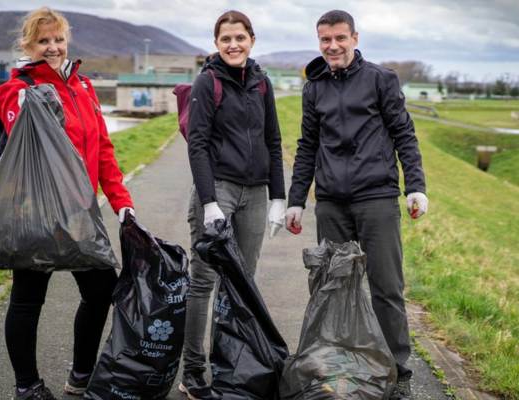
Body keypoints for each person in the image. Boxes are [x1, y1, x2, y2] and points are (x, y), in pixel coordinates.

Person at [285, 10, 428, 400]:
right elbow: (307, 146)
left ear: (354, 38)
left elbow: (404, 134)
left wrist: (415, 186)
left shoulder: (381, 80)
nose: (332, 46)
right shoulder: (313, 87)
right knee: (332, 288)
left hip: (377, 199)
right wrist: (297, 200)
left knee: (386, 288)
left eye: (339, 38)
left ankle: (398, 371)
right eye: (325, 40)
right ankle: (336, 365)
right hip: (330, 202)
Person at [0, 7, 134, 400]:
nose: (53, 47)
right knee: (28, 298)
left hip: (79, 213)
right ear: (28, 46)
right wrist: (25, 99)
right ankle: (28, 387)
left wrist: (121, 200)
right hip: (34, 212)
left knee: (102, 289)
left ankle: (82, 374)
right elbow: (17, 129)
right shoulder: (16, 90)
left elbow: (103, 149)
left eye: (58, 40)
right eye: (43, 41)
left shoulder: (83, 86)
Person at [181, 10, 286, 400]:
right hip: (219, 189)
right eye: (225, 38)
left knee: (242, 285)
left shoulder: (262, 83)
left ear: (252, 40)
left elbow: (274, 142)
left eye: (239, 37)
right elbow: (198, 145)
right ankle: (193, 372)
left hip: (256, 193)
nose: (233, 44)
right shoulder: (207, 82)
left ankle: (228, 367)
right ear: (217, 43)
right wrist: (209, 202)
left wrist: (279, 196)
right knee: (204, 281)